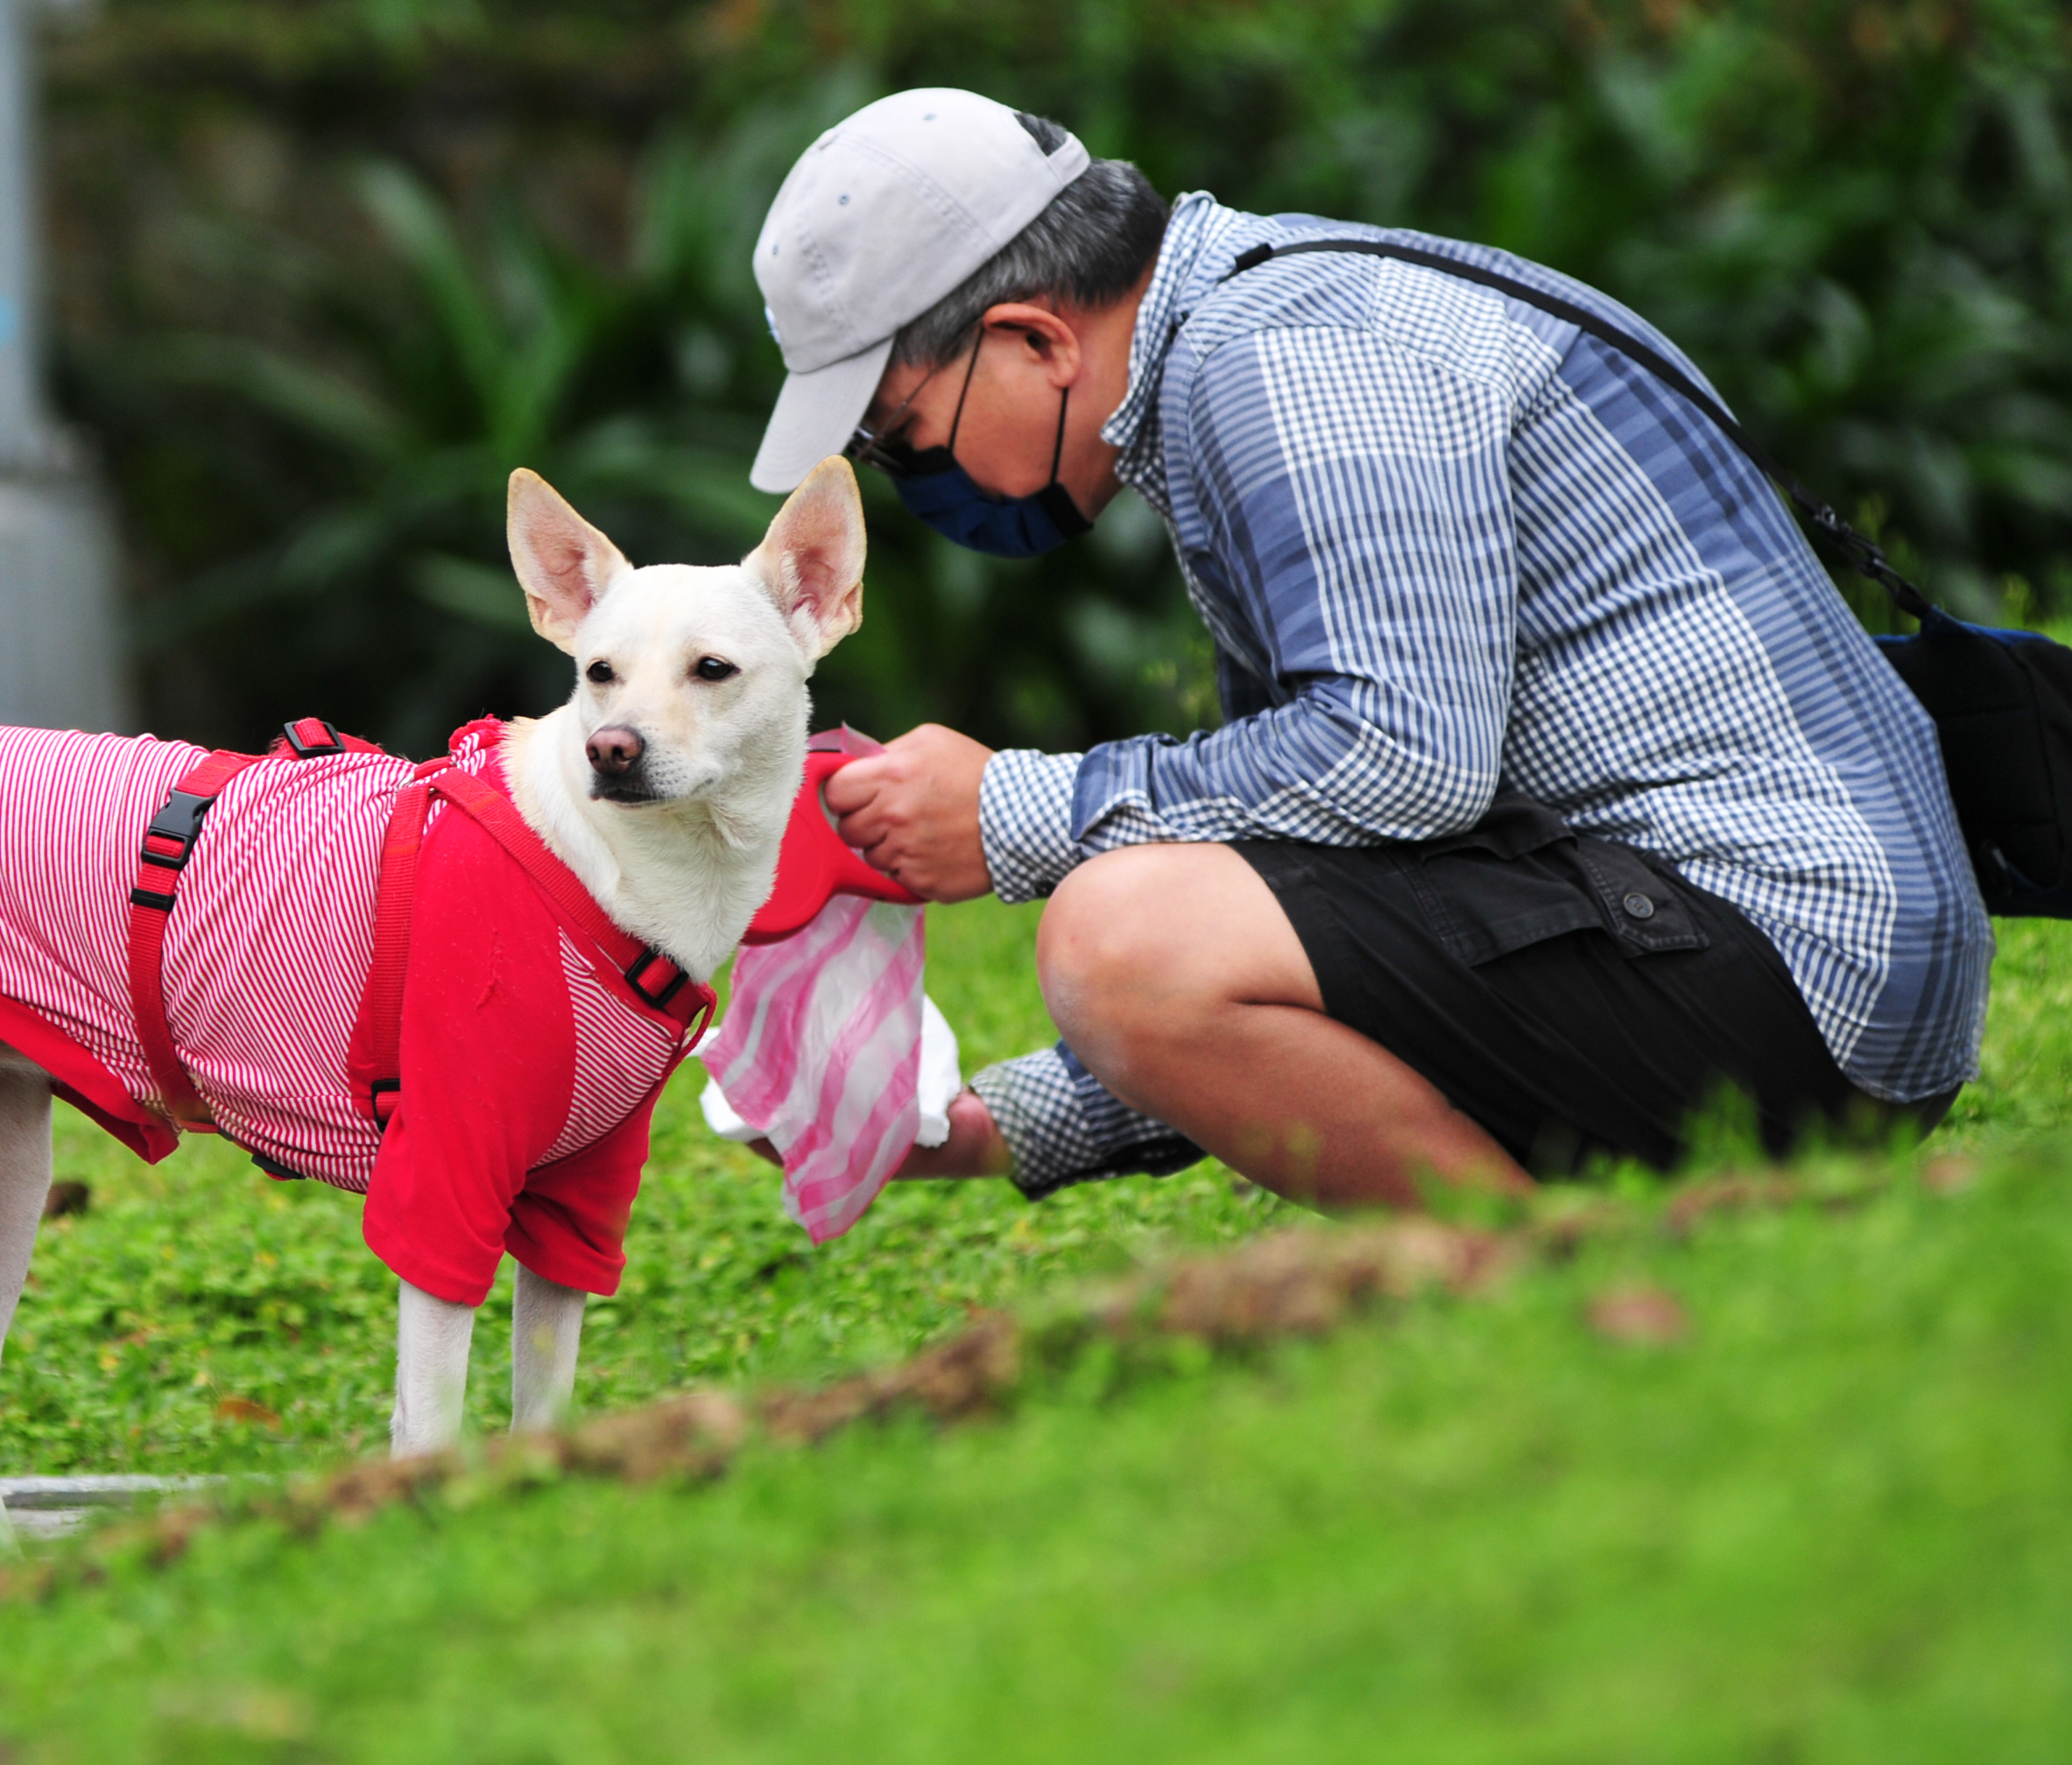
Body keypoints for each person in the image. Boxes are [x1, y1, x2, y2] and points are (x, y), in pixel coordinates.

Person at [745, 88, 1990, 1211]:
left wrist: (1010, 805)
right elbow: (1320, 866)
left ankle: (1536, 1299)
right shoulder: (1252, 319)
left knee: (1114, 933)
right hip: (1747, 954)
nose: (902, 479)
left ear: (1035, 340)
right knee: (1144, 925)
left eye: (896, 434)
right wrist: (975, 1127)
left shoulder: (1286, 360)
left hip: (1799, 975)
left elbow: (1400, 760)